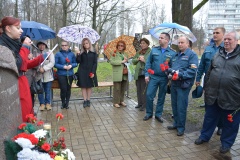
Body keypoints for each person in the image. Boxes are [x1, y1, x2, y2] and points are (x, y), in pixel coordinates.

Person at [194, 31, 240, 154]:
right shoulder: (218, 54)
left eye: (229, 39)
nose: (226, 41)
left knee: (230, 123)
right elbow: (209, 72)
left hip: (232, 97)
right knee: (209, 118)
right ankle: (204, 136)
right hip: (213, 95)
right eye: (225, 39)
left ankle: (226, 143)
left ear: (236, 41)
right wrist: (206, 87)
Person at [0, 16, 47, 122]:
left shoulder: (14, 43)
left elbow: (24, 65)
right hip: (14, 86)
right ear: (8, 28)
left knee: (27, 113)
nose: (21, 31)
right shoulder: (3, 46)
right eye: (18, 28)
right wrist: (25, 47)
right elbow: (17, 65)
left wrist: (39, 59)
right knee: (23, 117)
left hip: (22, 83)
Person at [195, 27, 225, 135]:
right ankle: (208, 128)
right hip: (208, 82)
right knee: (209, 105)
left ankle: (221, 126)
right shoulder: (208, 49)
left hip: (221, 83)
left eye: (217, 33)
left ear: (223, 35)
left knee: (221, 105)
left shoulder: (226, 49)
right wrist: (198, 79)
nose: (215, 34)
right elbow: (202, 65)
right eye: (213, 33)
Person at [167, 36, 198, 136]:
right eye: (179, 42)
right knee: (174, 105)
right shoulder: (176, 55)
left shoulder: (192, 55)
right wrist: (168, 69)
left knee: (181, 106)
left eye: (182, 42)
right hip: (174, 84)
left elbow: (192, 71)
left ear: (187, 44)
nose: (180, 44)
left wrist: (180, 75)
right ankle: (176, 123)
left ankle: (181, 127)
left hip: (183, 85)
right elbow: (171, 66)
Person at [143, 33, 175, 122]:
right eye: (159, 37)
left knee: (161, 97)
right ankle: (149, 113)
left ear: (167, 40)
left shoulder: (172, 53)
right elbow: (148, 63)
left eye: (162, 38)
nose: (159, 39)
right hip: (153, 77)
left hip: (164, 79)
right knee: (149, 95)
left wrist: (170, 76)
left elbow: (173, 66)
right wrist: (146, 75)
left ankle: (158, 114)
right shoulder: (154, 50)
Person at [55, 41, 77, 109]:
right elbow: (55, 64)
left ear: (68, 46)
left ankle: (67, 103)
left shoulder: (72, 54)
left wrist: (71, 66)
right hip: (61, 74)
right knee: (63, 89)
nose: (64, 46)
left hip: (70, 74)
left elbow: (75, 63)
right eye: (62, 45)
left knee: (68, 89)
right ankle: (63, 103)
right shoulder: (58, 54)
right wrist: (63, 67)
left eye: (65, 45)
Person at [76, 38, 98, 108]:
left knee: (89, 86)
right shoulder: (81, 53)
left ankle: (88, 100)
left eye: (87, 43)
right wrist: (78, 53)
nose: (85, 45)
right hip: (82, 71)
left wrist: (93, 72)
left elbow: (95, 63)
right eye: (84, 43)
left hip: (90, 71)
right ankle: (85, 100)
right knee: (83, 86)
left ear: (89, 43)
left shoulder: (94, 53)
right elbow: (78, 61)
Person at [132, 38, 151, 111]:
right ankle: (139, 103)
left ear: (147, 44)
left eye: (143, 43)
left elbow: (151, 63)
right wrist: (138, 59)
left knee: (144, 90)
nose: (141, 45)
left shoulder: (150, 52)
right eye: (141, 43)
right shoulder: (139, 52)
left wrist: (144, 60)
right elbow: (133, 61)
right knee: (138, 89)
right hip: (138, 73)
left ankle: (144, 105)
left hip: (145, 74)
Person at [109, 40, 128, 108]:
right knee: (117, 88)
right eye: (119, 45)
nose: (120, 47)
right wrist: (121, 61)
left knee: (123, 87)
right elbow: (112, 62)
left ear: (124, 47)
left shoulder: (125, 54)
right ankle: (116, 102)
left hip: (124, 73)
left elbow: (128, 63)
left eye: (122, 46)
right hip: (117, 73)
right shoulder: (114, 53)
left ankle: (121, 100)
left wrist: (127, 61)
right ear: (117, 46)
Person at [37, 40, 55, 111]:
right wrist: (39, 68)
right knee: (40, 90)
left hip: (48, 76)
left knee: (47, 90)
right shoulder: (36, 52)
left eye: (43, 44)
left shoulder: (50, 52)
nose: (42, 46)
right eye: (40, 44)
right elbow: (33, 62)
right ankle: (42, 104)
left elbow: (52, 62)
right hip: (39, 76)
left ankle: (48, 103)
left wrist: (44, 68)